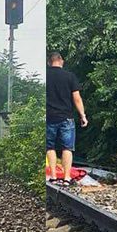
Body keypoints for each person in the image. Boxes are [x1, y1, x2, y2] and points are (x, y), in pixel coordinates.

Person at [45, 51, 87, 182]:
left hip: (49, 117)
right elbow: (77, 98)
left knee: (49, 147)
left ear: (49, 62)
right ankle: (67, 177)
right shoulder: (70, 76)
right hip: (66, 117)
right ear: (61, 61)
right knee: (67, 147)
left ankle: (52, 176)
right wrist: (83, 115)